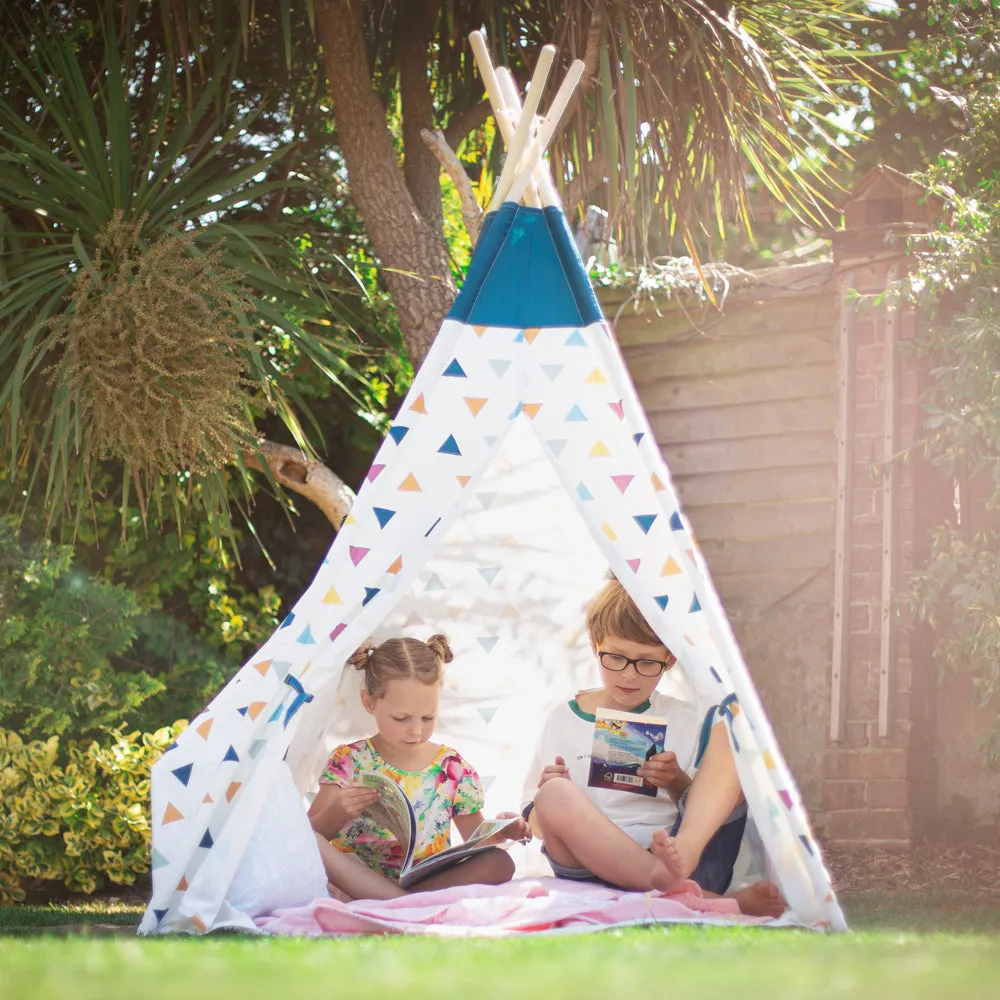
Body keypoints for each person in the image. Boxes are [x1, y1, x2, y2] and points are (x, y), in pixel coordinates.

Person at [523, 577, 784, 918]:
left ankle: (680, 872)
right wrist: (550, 791)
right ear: (595, 645)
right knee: (554, 794)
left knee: (732, 729)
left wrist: (675, 780)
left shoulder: (686, 719)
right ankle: (689, 895)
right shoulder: (562, 718)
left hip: (676, 855)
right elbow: (532, 822)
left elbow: (712, 806)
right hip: (589, 865)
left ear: (670, 659)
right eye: (616, 658)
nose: (629, 676)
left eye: (647, 662)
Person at [308, 633, 529, 901]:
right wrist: (338, 812)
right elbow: (308, 837)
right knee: (316, 845)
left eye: (428, 717)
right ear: (369, 703)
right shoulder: (348, 760)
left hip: (425, 879)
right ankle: (399, 901)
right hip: (357, 877)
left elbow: (475, 841)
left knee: (499, 863)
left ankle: (398, 899)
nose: (416, 730)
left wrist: (502, 831)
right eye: (401, 718)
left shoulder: (452, 767)